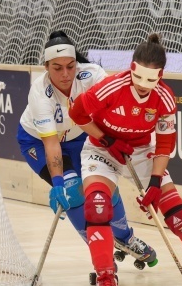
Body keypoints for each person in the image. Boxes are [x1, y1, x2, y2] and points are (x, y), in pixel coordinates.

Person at [68, 33, 182, 286]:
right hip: (101, 149)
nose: (143, 84)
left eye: (151, 79)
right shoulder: (111, 87)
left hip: (142, 151)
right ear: (131, 68)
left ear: (161, 76)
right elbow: (77, 112)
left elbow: (165, 143)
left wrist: (155, 183)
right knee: (97, 206)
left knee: (179, 215)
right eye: (138, 76)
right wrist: (107, 140)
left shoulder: (164, 98)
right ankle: (106, 275)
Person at [17, 30, 157, 276]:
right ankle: (101, 259)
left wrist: (114, 137)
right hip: (37, 142)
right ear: (46, 66)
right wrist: (58, 183)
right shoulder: (40, 92)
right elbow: (51, 144)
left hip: (80, 135)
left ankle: (125, 236)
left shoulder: (92, 75)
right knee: (72, 192)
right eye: (57, 68)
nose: (65, 74)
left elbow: (116, 105)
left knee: (101, 183)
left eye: (70, 66)